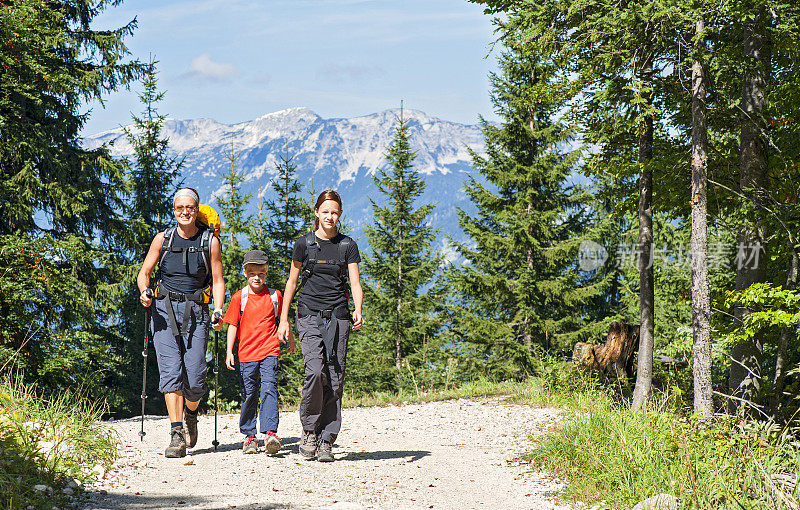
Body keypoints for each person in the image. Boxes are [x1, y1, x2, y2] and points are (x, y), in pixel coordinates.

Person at [137, 187, 225, 458]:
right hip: (163, 311)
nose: (184, 212)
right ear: (173, 210)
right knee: (170, 372)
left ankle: (191, 412)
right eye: (179, 208)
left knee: (196, 376)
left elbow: (219, 280)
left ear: (196, 210)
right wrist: (144, 291)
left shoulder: (209, 242)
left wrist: (218, 309)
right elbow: (145, 273)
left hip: (197, 311)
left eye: (189, 208)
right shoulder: (162, 239)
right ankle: (176, 433)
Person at [277, 190, 363, 462]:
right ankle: (309, 430)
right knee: (315, 371)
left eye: (334, 212)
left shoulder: (347, 245)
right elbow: (291, 282)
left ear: (340, 214)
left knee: (335, 378)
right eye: (325, 211)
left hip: (338, 317)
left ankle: (327, 438)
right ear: (316, 212)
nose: (330, 216)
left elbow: (355, 282)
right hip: (309, 315)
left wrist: (358, 309)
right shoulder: (304, 244)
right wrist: (284, 318)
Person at [223, 249, 296, 454]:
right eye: (253, 273)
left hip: (269, 350)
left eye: (261, 273)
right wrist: (230, 351)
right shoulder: (240, 297)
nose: (257, 278)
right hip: (246, 354)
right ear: (245, 273)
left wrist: (290, 339)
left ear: (266, 273)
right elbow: (232, 325)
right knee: (249, 394)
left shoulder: (275, 296)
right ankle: (249, 436)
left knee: (270, 389)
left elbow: (283, 319)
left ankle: (270, 434)